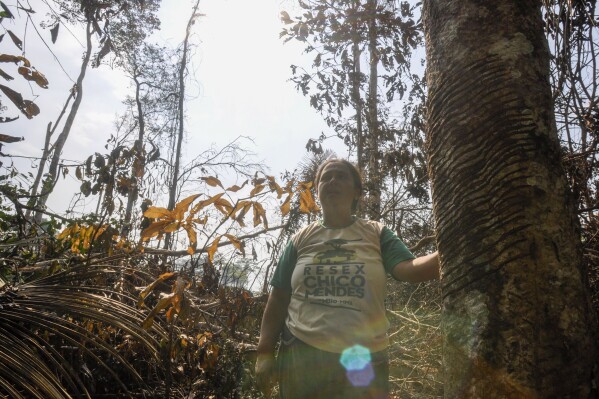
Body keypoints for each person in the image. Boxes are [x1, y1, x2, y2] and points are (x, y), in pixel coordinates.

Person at [255, 158, 439, 399]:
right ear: (317, 190)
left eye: (341, 176)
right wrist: (264, 352)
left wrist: (449, 249)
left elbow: (409, 269)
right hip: (302, 354)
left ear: (356, 192)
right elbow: (278, 298)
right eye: (325, 177)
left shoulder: (376, 233)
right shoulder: (301, 239)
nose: (332, 181)